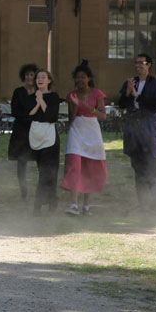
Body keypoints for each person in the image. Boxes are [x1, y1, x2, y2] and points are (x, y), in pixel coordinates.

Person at [118, 53, 156, 212]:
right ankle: (143, 204)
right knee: (138, 169)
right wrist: (128, 93)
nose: (138, 65)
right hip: (133, 131)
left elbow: (154, 105)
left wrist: (136, 96)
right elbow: (121, 104)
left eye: (141, 63)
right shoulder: (130, 82)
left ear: (149, 65)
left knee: (151, 169)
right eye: (136, 63)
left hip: (148, 130)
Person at [62, 61, 107, 216]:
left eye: (83, 77)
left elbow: (103, 116)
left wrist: (89, 107)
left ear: (89, 78)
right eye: (77, 77)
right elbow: (71, 119)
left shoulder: (97, 94)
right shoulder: (71, 95)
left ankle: (86, 206)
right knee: (74, 164)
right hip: (77, 130)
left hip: (92, 131)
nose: (80, 80)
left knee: (90, 166)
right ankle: (74, 203)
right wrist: (75, 105)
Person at [27, 69, 61, 214]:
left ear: (49, 81)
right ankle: (49, 201)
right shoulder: (30, 97)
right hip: (37, 135)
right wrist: (37, 100)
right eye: (38, 77)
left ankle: (39, 204)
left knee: (50, 171)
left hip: (50, 138)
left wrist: (41, 100)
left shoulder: (53, 97)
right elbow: (29, 115)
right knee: (43, 170)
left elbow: (51, 117)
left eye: (43, 77)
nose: (40, 79)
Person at [8, 64, 39, 200]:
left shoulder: (40, 92)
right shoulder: (18, 92)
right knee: (21, 161)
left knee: (40, 160)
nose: (29, 77)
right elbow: (15, 111)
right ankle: (23, 190)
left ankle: (42, 189)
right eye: (27, 75)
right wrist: (27, 119)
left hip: (37, 130)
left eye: (31, 74)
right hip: (21, 130)